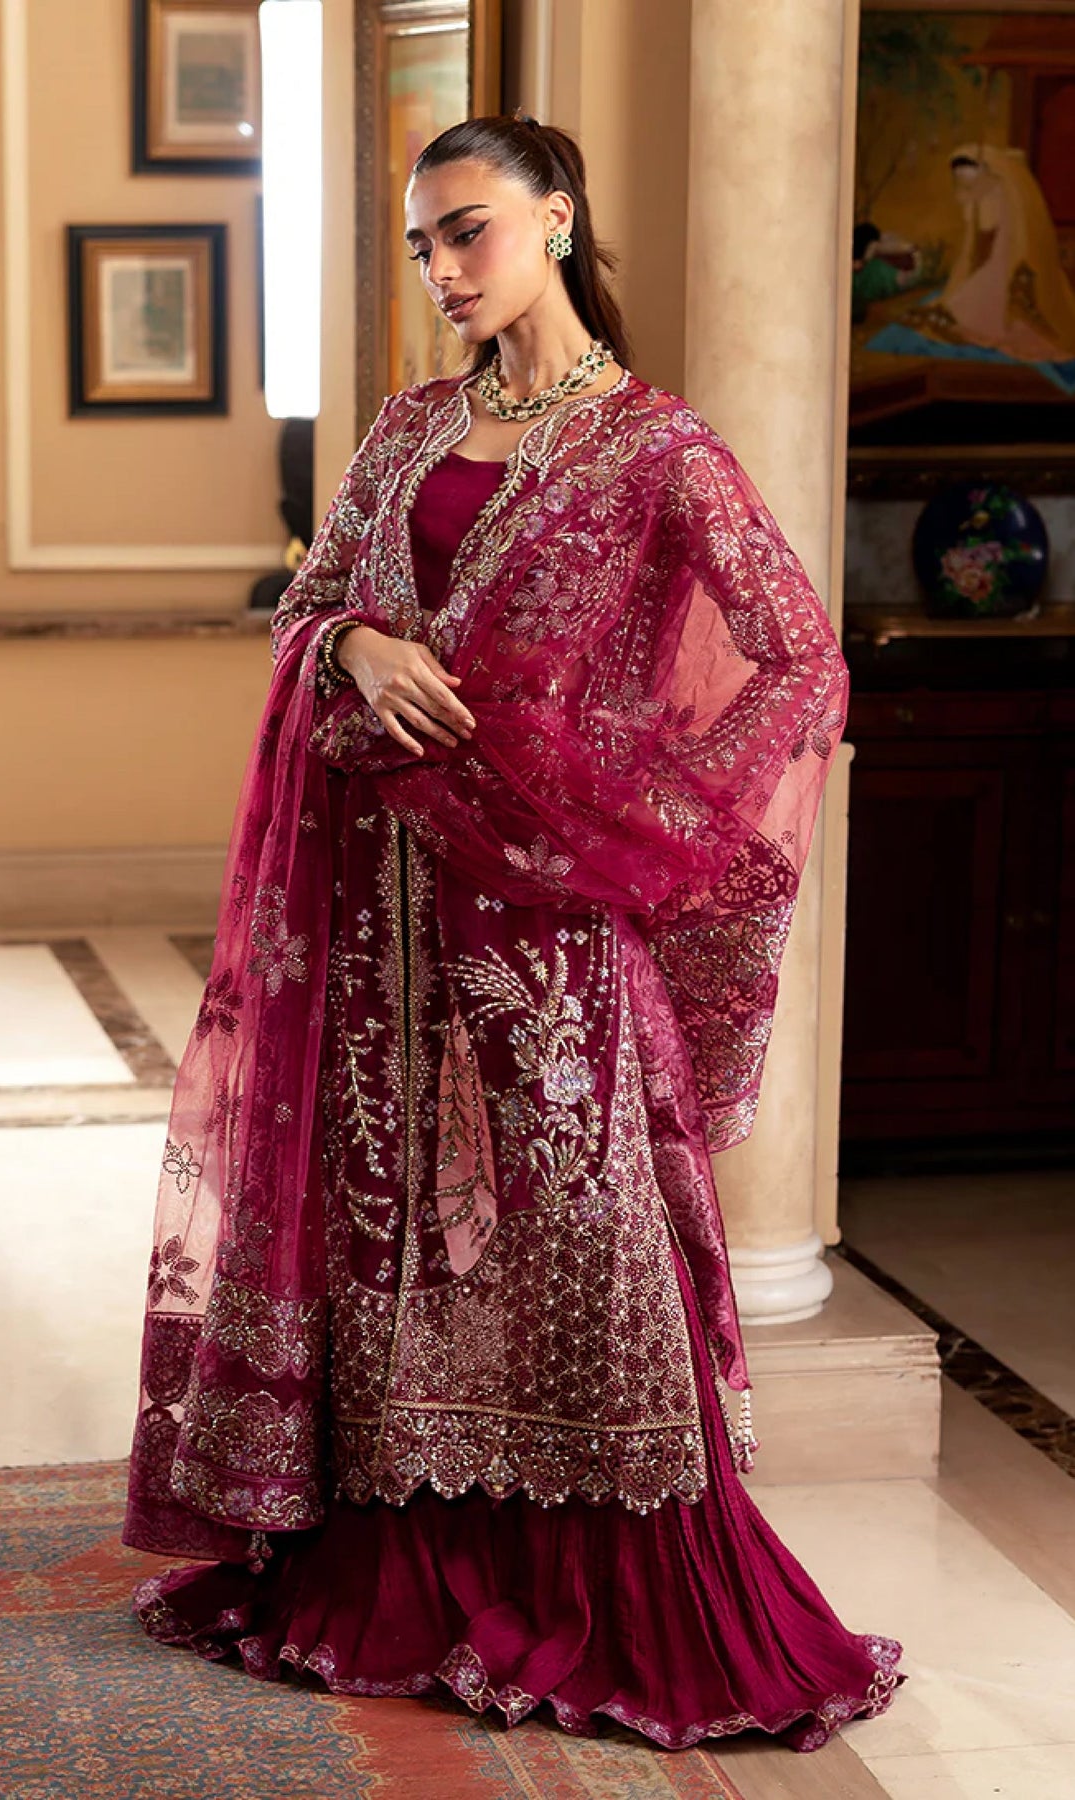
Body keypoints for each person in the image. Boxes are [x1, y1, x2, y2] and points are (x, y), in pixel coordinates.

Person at [121, 110, 907, 1754]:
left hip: (545, 918)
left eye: (467, 228)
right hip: (375, 912)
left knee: (572, 1227)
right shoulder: (409, 429)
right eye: (423, 241)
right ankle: (391, 1558)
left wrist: (619, 802)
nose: (442, 266)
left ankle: (605, 1587)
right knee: (388, 1234)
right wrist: (351, 649)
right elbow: (310, 600)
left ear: (555, 219)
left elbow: (798, 659)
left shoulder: (656, 450)